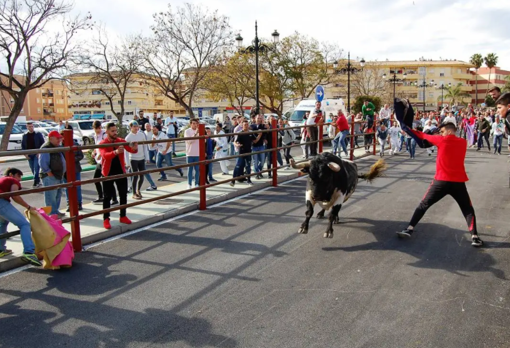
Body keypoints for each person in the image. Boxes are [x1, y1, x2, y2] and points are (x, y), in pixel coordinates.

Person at [397, 122, 483, 247]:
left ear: (448, 131)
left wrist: (407, 128)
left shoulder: (441, 140)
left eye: (442, 131)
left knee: (424, 204)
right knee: (467, 209)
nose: (440, 133)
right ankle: (475, 237)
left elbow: (421, 136)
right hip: (458, 182)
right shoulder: (463, 142)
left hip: (441, 181)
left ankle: (409, 228)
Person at [99, 122, 138, 230]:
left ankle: (123, 215)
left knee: (123, 194)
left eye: (116, 130)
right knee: (107, 197)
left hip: (120, 171)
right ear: (106, 132)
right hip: (107, 173)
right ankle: (106, 219)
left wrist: (134, 147)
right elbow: (104, 156)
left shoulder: (120, 141)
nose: (115, 133)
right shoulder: (103, 142)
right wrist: (115, 152)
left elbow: (131, 150)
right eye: (112, 131)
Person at [0, 168, 42, 266]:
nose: (20, 180)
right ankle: (29, 252)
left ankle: (0, 249)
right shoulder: (12, 180)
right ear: (11, 174)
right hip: (1, 202)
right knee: (24, 224)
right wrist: (28, 207)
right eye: (19, 176)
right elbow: (14, 195)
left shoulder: (2, 180)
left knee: (3, 223)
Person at [39, 130, 66, 217]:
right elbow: (42, 162)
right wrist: (49, 172)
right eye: (57, 138)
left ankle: (55, 211)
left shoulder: (56, 147)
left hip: (57, 175)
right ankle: (51, 213)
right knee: (51, 196)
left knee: (57, 195)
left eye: (59, 138)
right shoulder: (46, 148)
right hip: (50, 176)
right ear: (51, 139)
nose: (59, 140)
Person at [92, 120, 118, 205]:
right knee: (96, 179)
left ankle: (114, 198)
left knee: (108, 179)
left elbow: (106, 146)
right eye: (97, 128)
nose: (98, 130)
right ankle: (101, 196)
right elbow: (97, 146)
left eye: (99, 128)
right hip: (99, 161)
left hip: (104, 160)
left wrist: (101, 154)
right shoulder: (95, 135)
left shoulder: (104, 134)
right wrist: (94, 152)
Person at [230, 120, 262, 187]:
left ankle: (249, 180)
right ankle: (233, 180)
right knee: (238, 166)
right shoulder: (240, 133)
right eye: (245, 125)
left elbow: (255, 141)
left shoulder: (250, 132)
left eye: (247, 125)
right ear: (242, 125)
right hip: (241, 152)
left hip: (248, 152)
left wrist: (260, 135)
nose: (246, 126)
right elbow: (235, 141)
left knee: (248, 166)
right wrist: (237, 145)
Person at [125, 121, 151, 200]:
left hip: (141, 158)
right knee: (135, 176)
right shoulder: (128, 137)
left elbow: (145, 146)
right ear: (131, 127)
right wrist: (127, 162)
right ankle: (133, 193)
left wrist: (147, 157)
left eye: (137, 127)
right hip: (133, 159)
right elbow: (126, 151)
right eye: (134, 127)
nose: (136, 128)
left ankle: (138, 190)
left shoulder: (141, 134)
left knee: (142, 176)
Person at [62, 129, 84, 212]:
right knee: (67, 188)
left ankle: (79, 203)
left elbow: (80, 156)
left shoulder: (76, 145)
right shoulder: (60, 147)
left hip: (75, 169)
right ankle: (70, 204)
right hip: (65, 170)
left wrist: (71, 159)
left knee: (77, 187)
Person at [21, 122, 45, 188]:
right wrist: (25, 154)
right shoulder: (25, 135)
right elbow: (23, 146)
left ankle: (35, 182)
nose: (31, 128)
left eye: (31, 126)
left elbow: (43, 144)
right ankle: (38, 180)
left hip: (36, 154)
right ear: (27, 127)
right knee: (32, 168)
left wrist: (39, 152)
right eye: (29, 126)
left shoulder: (38, 134)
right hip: (29, 154)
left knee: (36, 168)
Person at [184, 119, 200, 189]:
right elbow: (189, 141)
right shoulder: (187, 131)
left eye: (196, 123)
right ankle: (189, 184)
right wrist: (196, 133)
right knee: (190, 170)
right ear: (190, 124)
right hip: (190, 153)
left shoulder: (200, 131)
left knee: (197, 170)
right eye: (193, 123)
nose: (195, 125)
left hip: (197, 153)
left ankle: (196, 183)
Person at [250, 114, 267, 179]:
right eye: (258, 118)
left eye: (260, 118)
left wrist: (264, 139)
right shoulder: (252, 126)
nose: (259, 119)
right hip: (254, 146)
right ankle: (257, 173)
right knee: (255, 161)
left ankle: (259, 171)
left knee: (262, 161)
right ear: (255, 118)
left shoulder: (263, 126)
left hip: (261, 146)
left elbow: (266, 132)